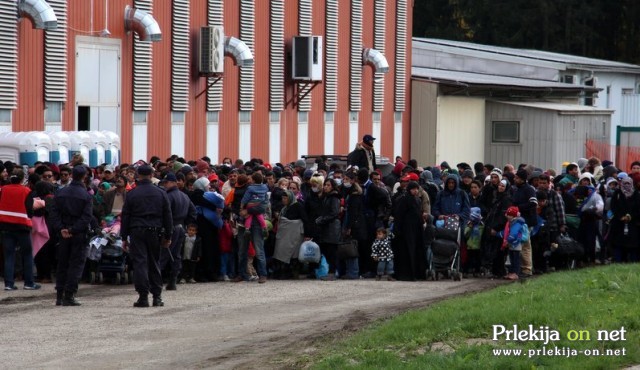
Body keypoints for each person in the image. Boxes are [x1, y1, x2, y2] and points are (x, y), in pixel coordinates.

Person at [120, 165, 173, 308]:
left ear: (138, 175)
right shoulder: (161, 193)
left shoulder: (132, 193)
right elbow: (167, 216)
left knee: (140, 263)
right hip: (154, 230)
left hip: (137, 230)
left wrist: (124, 236)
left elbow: (126, 216)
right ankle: (157, 296)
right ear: (152, 175)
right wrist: (168, 235)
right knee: (154, 263)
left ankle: (143, 297)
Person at [49, 165, 93, 305]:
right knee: (76, 264)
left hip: (63, 233)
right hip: (78, 233)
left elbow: (54, 213)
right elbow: (86, 217)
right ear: (84, 176)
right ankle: (69, 295)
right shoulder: (86, 195)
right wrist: (73, 230)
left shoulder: (61, 193)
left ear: (71, 175)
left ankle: (59, 295)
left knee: (62, 263)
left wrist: (62, 229)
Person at [1, 168, 41, 291]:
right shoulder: (26, 190)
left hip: (5, 225)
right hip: (22, 226)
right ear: (22, 179)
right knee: (27, 254)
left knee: (9, 255)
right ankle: (29, 283)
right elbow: (30, 210)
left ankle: (8, 284)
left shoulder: (3, 189)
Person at [159, 172, 197, 291]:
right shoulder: (184, 196)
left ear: (173, 182)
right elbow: (193, 212)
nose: (165, 185)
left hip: (170, 227)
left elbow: (164, 214)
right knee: (176, 255)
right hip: (181, 228)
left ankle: (156, 281)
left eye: (166, 182)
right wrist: (186, 224)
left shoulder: (167, 196)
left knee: (163, 254)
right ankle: (173, 281)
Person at [497, 206, 529, 281]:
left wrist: (508, 240)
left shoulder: (516, 223)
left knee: (516, 258)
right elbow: (506, 232)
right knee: (511, 258)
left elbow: (513, 234)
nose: (507, 216)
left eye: (509, 215)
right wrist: (497, 234)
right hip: (512, 244)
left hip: (516, 243)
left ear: (513, 216)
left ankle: (515, 273)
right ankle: (511, 272)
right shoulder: (511, 223)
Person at [463, 207, 484, 277]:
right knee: (468, 260)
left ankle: (477, 271)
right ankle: (465, 271)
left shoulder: (481, 225)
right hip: (470, 245)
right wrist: (469, 227)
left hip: (478, 246)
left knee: (477, 260)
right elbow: (465, 234)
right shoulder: (468, 224)